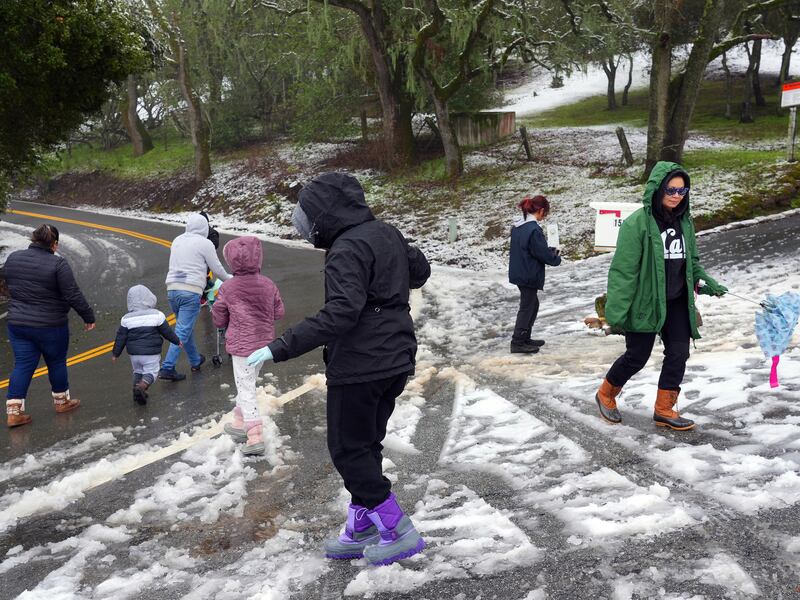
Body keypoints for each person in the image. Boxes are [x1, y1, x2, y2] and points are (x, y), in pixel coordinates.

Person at [246, 172, 431, 566]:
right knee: (365, 444)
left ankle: (398, 529)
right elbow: (419, 271)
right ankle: (361, 524)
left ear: (325, 214)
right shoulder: (386, 233)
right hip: (396, 357)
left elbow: (342, 312)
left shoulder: (346, 248)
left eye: (309, 216)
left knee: (347, 450)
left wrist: (280, 346)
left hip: (362, 363)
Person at [595, 161, 728, 431]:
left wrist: (706, 281)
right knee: (637, 356)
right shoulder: (637, 224)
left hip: (677, 300)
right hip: (646, 301)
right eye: (671, 189)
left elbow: (692, 261)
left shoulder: (684, 222)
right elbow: (623, 271)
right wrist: (616, 313)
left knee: (679, 352)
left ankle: (664, 409)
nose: (676, 195)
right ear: (657, 188)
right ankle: (606, 393)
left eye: (682, 191)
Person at [4, 224, 95, 427]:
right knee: (56, 362)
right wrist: (87, 316)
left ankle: (14, 412)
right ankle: (62, 402)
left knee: (22, 365)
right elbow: (72, 293)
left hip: (18, 323)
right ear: (54, 244)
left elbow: (8, 283)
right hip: (50, 324)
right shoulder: (58, 264)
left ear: (33, 240)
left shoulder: (13, 258)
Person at [211, 236, 285, 456]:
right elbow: (279, 312)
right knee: (247, 382)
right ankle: (239, 420)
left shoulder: (228, 287)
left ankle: (253, 435)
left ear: (230, 260)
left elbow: (219, 317)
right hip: (263, 345)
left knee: (246, 387)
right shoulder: (268, 284)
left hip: (242, 346)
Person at [159, 214, 231, 381]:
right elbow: (217, 268)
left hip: (172, 289)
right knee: (183, 330)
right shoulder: (205, 243)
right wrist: (230, 279)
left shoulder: (177, 240)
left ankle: (195, 360)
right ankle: (167, 367)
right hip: (190, 291)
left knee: (184, 328)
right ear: (205, 228)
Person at [508, 195, 562, 354]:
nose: (543, 217)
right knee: (527, 306)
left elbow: (530, 249)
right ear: (541, 210)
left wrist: (547, 252)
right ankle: (518, 342)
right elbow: (541, 253)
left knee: (532, 304)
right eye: (544, 214)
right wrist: (555, 258)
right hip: (528, 273)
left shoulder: (518, 226)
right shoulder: (533, 229)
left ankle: (525, 337)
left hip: (520, 271)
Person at [111, 285, 181, 405]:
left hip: (134, 355)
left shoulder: (126, 319)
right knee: (152, 372)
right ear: (149, 298)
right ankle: (142, 387)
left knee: (137, 372)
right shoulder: (157, 315)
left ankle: (136, 391)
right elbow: (167, 332)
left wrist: (115, 354)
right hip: (150, 353)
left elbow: (120, 337)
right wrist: (177, 341)